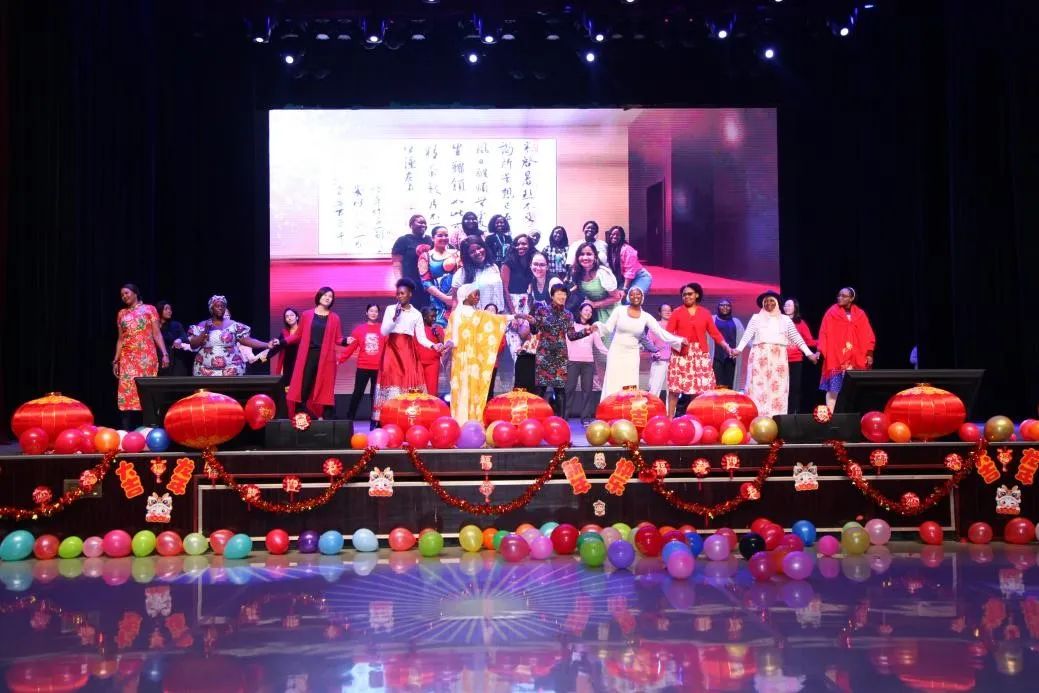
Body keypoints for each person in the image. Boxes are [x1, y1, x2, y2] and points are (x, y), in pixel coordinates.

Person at [515, 285, 595, 417]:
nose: (562, 296)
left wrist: (586, 331)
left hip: (560, 356)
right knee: (540, 390)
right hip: (544, 356)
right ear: (552, 296)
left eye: (564, 294)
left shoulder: (568, 315)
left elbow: (571, 335)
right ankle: (535, 420)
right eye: (559, 293)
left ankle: (562, 421)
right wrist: (531, 322)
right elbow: (535, 331)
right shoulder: (542, 311)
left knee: (560, 390)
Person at [733, 291, 818, 417]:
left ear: (777, 303)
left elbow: (797, 338)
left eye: (772, 300)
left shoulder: (785, 320)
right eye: (766, 301)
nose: (769, 303)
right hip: (759, 356)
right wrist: (738, 349)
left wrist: (809, 353)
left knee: (777, 387)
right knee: (758, 387)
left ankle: (777, 418)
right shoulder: (756, 318)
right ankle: (757, 417)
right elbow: (747, 335)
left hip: (778, 357)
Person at [372, 278, 443, 423]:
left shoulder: (416, 314)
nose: (399, 296)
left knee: (408, 382)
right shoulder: (391, 309)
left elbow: (421, 338)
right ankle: (387, 418)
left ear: (410, 294)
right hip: (392, 350)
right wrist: (395, 317)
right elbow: (384, 331)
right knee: (392, 382)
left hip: (408, 352)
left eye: (402, 293)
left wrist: (433, 346)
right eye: (397, 293)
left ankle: (407, 418)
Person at [597, 288, 685, 400]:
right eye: (632, 295)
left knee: (630, 381)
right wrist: (597, 326)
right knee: (613, 380)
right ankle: (609, 406)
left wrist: (678, 340)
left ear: (642, 297)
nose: (635, 297)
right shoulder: (619, 310)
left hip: (632, 353)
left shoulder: (645, 316)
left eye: (638, 294)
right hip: (616, 351)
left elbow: (660, 332)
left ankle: (627, 407)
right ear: (628, 297)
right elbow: (607, 328)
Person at [444, 284, 509, 424]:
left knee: (474, 389)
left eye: (479, 294)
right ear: (465, 295)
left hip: (475, 360)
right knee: (461, 389)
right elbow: (452, 339)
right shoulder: (456, 315)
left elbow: (498, 320)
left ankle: (473, 421)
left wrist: (517, 316)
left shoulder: (479, 315)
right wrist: (448, 344)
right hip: (459, 359)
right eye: (475, 294)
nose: (478, 297)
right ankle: (459, 422)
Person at [666, 283, 734, 416]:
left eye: (689, 294)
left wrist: (726, 346)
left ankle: (693, 418)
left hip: (699, 354)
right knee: (675, 389)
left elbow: (715, 333)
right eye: (684, 295)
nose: (686, 296)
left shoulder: (705, 313)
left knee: (697, 390)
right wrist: (679, 339)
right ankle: (669, 418)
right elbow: (668, 333)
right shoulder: (677, 312)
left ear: (697, 295)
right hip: (681, 354)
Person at [285, 287, 351, 419]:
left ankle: (327, 415)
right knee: (305, 384)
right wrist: (282, 342)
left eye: (330, 296)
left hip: (326, 357)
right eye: (325, 295)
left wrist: (345, 341)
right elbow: (298, 335)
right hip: (309, 355)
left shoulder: (335, 318)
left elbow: (338, 338)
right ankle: (301, 411)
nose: (327, 298)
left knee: (326, 386)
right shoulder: (306, 315)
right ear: (319, 296)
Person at [113, 284, 168, 430]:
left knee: (145, 390)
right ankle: (126, 430)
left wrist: (164, 353)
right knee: (126, 391)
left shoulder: (150, 309)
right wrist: (116, 359)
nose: (124, 296)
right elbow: (120, 339)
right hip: (127, 358)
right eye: (122, 295)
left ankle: (149, 428)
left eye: (126, 293)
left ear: (135, 293)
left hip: (146, 357)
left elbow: (157, 334)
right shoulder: (121, 313)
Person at [818, 286, 876, 411]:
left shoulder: (860, 314)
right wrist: (820, 350)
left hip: (856, 358)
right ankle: (830, 416)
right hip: (836, 357)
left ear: (851, 298)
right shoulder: (831, 313)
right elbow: (823, 332)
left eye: (843, 296)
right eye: (839, 295)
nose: (840, 298)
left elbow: (868, 334)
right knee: (833, 389)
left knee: (854, 391)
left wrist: (869, 353)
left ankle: (854, 416)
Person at [187, 295, 277, 377]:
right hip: (205, 370)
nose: (220, 308)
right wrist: (205, 331)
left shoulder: (234, 325)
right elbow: (193, 345)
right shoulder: (202, 325)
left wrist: (267, 345)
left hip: (231, 370)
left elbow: (248, 341)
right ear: (211, 308)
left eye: (222, 306)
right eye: (217, 306)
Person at [341, 304, 386, 425]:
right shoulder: (359, 329)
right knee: (358, 393)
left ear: (378, 314)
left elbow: (389, 348)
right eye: (371, 311)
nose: (373, 313)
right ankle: (349, 420)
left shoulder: (383, 329)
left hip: (378, 368)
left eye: (376, 311)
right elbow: (351, 347)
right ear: (367, 313)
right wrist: (340, 359)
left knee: (375, 396)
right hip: (363, 367)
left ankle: (376, 421)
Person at [566, 302, 610, 423]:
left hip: (588, 363)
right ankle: (565, 416)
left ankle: (585, 418)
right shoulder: (572, 325)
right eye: (586, 310)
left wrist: (612, 354)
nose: (588, 313)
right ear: (580, 311)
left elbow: (600, 347)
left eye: (590, 312)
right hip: (573, 361)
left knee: (587, 391)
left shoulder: (593, 329)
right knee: (569, 389)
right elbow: (568, 340)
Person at [418, 225, 461, 327]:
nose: (444, 238)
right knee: (439, 329)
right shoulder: (425, 256)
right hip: (437, 302)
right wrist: (445, 298)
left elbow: (464, 277)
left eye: (446, 235)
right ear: (433, 238)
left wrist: (455, 298)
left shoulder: (457, 254)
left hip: (459, 300)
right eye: (440, 235)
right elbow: (426, 283)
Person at [570, 242, 622, 323]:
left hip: (609, 311)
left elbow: (617, 297)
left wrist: (595, 304)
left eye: (589, 254)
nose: (585, 257)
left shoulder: (602, 273)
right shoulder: (577, 272)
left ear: (595, 256)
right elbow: (579, 287)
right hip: (590, 311)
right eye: (582, 254)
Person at [451, 236, 505, 314]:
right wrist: (453, 319)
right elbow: (455, 301)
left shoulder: (493, 267)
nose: (477, 252)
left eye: (479, 248)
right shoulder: (461, 274)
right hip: (475, 319)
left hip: (498, 316)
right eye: (472, 252)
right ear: (467, 255)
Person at [783, 297, 817, 414]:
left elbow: (809, 341)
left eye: (789, 305)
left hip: (796, 360)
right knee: (782, 388)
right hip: (780, 360)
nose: (786, 307)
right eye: (785, 305)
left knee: (795, 388)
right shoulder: (779, 321)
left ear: (795, 308)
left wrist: (823, 342)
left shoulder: (801, 323)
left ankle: (794, 413)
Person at [391, 214, 432, 309]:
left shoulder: (430, 240)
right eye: (420, 222)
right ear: (411, 225)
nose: (423, 225)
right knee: (410, 311)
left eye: (425, 223)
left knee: (428, 312)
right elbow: (397, 264)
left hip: (428, 284)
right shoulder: (403, 240)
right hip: (410, 283)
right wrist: (400, 283)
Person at [606, 226, 653, 301]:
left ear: (622, 237)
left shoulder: (627, 249)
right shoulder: (610, 249)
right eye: (612, 234)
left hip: (639, 277)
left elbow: (630, 271)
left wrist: (624, 290)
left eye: (617, 235)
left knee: (631, 299)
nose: (614, 236)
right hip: (624, 280)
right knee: (618, 300)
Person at [710, 299, 745, 390]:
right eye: (722, 305)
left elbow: (745, 338)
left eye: (728, 305)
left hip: (731, 356)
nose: (725, 307)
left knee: (730, 381)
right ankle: (719, 398)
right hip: (716, 355)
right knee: (718, 382)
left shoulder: (736, 321)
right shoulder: (712, 319)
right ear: (718, 307)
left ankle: (729, 398)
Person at [156, 300, 192, 377]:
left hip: (175, 359)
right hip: (160, 358)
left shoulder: (176, 325)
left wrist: (179, 339)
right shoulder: (155, 326)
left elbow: (184, 336)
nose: (169, 311)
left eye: (170, 309)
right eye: (166, 309)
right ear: (160, 310)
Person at [646, 303, 673, 405]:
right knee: (654, 388)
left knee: (672, 390)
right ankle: (652, 411)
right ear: (659, 313)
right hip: (659, 361)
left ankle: (670, 412)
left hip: (673, 362)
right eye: (665, 310)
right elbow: (649, 342)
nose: (668, 312)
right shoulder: (655, 326)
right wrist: (654, 353)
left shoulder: (676, 326)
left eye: (670, 310)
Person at [501, 233, 534, 315]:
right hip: (511, 303)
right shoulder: (508, 262)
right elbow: (504, 289)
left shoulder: (531, 263)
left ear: (530, 246)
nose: (520, 246)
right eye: (517, 244)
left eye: (524, 244)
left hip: (525, 302)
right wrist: (513, 312)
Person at [417, 307, 445, 397]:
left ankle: (431, 404)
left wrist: (437, 335)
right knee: (418, 388)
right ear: (424, 317)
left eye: (435, 316)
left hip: (433, 363)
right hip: (418, 363)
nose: (434, 318)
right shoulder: (418, 328)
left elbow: (443, 345)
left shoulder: (438, 328)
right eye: (431, 316)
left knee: (432, 388)